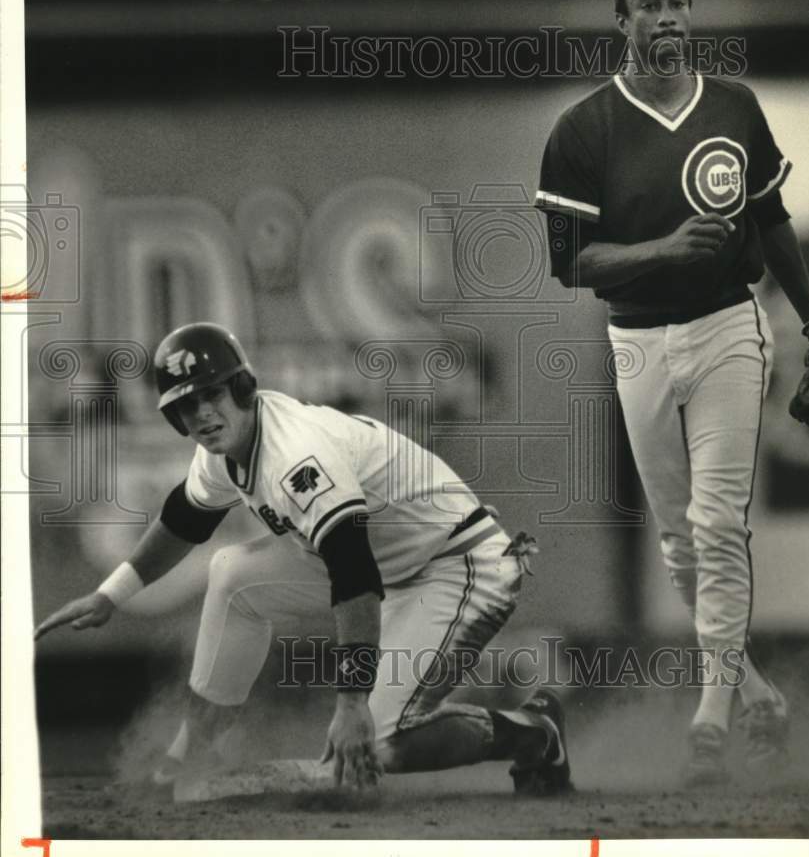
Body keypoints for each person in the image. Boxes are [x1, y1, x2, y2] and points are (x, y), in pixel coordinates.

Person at [535, 0, 809, 785]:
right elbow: (569, 264)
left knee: (716, 522)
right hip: (636, 341)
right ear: (623, 18)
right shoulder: (581, 130)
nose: (669, 15)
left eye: (679, 0)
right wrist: (663, 248)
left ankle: (710, 715)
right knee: (679, 545)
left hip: (724, 331)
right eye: (650, 3)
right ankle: (755, 694)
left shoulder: (734, 108)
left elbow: (771, 220)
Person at [35, 322, 571, 796]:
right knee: (233, 574)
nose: (201, 412)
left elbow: (352, 569)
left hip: (459, 563)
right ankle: (189, 754)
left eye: (212, 394)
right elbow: (184, 519)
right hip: (391, 563)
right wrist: (112, 595)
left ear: (242, 387)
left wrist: (352, 702)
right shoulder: (223, 448)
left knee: (379, 743)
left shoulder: (295, 455)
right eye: (185, 405)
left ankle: (535, 733)